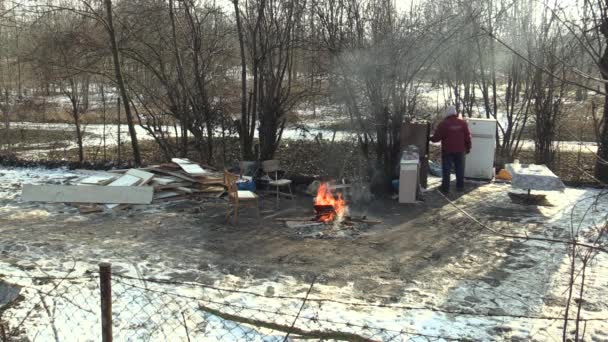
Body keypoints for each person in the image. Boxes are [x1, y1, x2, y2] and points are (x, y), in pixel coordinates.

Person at [430, 106, 472, 193]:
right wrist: (468, 147)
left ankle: (445, 188)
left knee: (446, 169)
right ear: (455, 113)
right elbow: (467, 137)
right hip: (460, 150)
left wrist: (430, 138)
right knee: (459, 169)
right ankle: (460, 187)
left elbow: (437, 138)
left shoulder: (444, 124)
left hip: (447, 150)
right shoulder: (463, 123)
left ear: (447, 113)